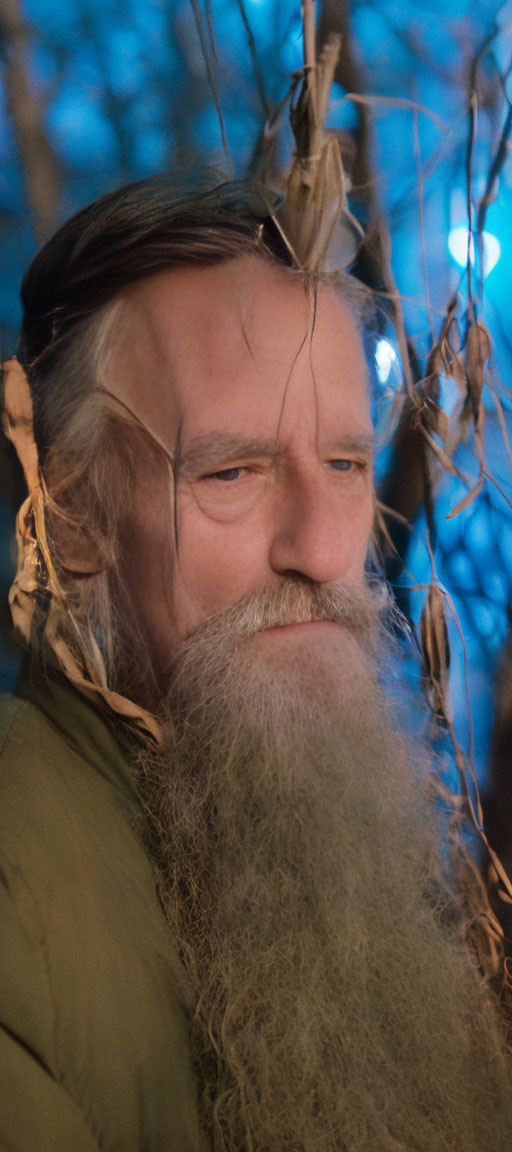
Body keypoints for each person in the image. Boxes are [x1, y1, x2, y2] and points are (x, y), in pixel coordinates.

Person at [0, 176, 511, 1152]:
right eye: (229, 472)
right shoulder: (19, 899)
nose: (324, 552)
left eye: (346, 465)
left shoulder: (354, 831)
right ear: (70, 521)